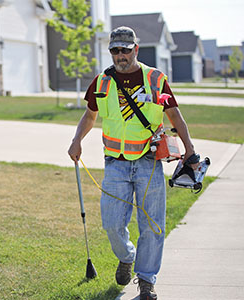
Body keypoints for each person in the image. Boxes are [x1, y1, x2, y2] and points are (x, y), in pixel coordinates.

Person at [68, 26, 198, 300]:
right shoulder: (102, 81)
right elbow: (90, 116)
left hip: (148, 162)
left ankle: (147, 281)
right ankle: (127, 255)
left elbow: (174, 114)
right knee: (112, 223)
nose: (120, 55)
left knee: (151, 224)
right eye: (115, 50)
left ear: (136, 50)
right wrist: (76, 140)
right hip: (115, 163)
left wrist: (190, 149)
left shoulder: (155, 79)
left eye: (125, 50)